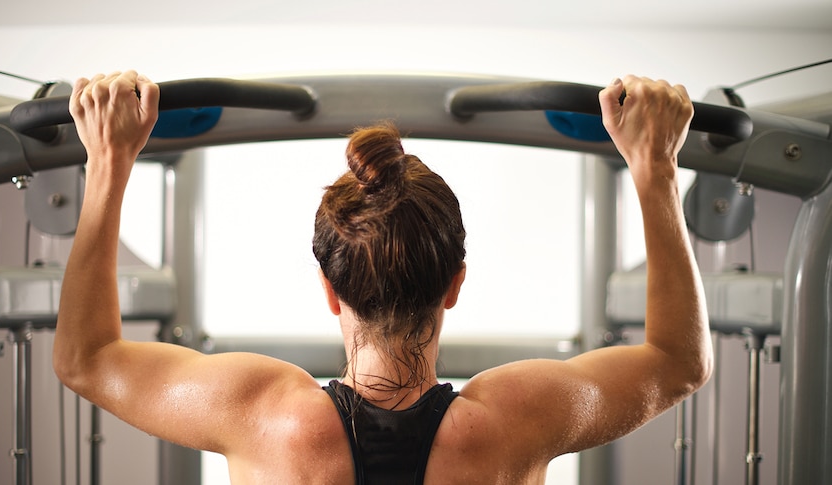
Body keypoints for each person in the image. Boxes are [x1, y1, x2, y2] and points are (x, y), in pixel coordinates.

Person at [53, 70, 713, 484]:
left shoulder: (265, 418)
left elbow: (86, 357)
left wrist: (108, 158)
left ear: (329, 289)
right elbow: (678, 360)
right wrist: (654, 165)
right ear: (455, 282)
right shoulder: (512, 424)